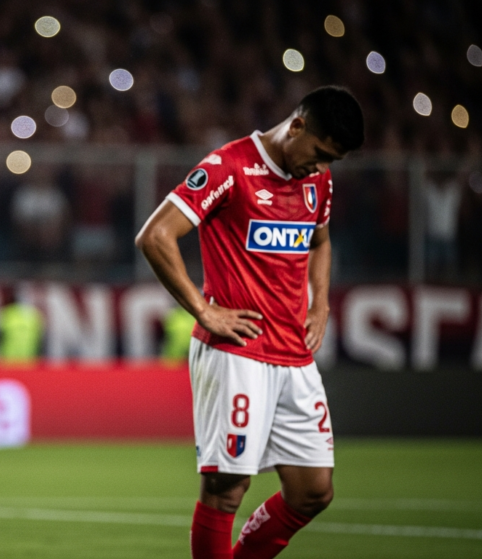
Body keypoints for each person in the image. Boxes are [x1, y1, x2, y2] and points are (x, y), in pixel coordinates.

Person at [136, 86, 364, 559]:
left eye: (331, 162)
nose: (320, 168)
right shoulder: (229, 167)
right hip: (237, 350)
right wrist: (204, 309)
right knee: (226, 489)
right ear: (297, 125)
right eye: (320, 153)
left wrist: (320, 304)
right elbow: (155, 236)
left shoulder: (317, 182)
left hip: (294, 357)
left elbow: (320, 241)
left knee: (314, 492)